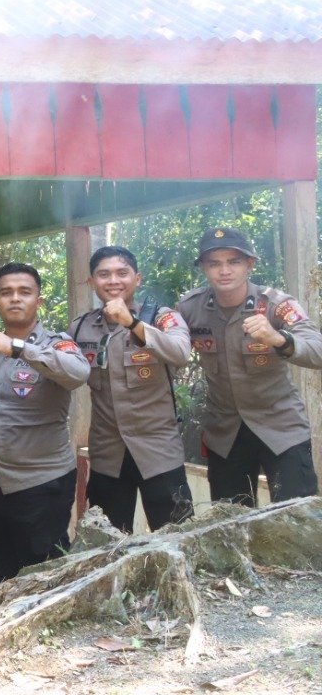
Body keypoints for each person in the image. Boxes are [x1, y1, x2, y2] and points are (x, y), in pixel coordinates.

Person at [0, 263, 90, 585]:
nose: (15, 299)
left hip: (41, 485)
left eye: (25, 292)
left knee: (42, 575)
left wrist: (18, 348)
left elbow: (78, 374)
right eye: (6, 292)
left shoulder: (57, 343)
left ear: (39, 301)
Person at [177, 227, 322, 504]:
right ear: (203, 269)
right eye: (214, 263)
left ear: (249, 264)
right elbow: (169, 348)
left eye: (234, 261)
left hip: (281, 428)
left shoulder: (277, 305)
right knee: (231, 525)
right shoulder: (189, 309)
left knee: (295, 519)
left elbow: (317, 351)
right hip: (226, 433)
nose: (224, 271)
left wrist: (278, 338)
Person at [70, 247, 194, 533]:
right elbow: (56, 360)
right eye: (104, 274)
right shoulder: (80, 328)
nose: (113, 280)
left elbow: (180, 352)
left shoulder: (163, 317)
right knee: (105, 547)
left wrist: (133, 323)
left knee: (177, 541)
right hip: (108, 458)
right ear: (91, 282)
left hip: (159, 454)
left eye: (122, 273)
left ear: (137, 279)